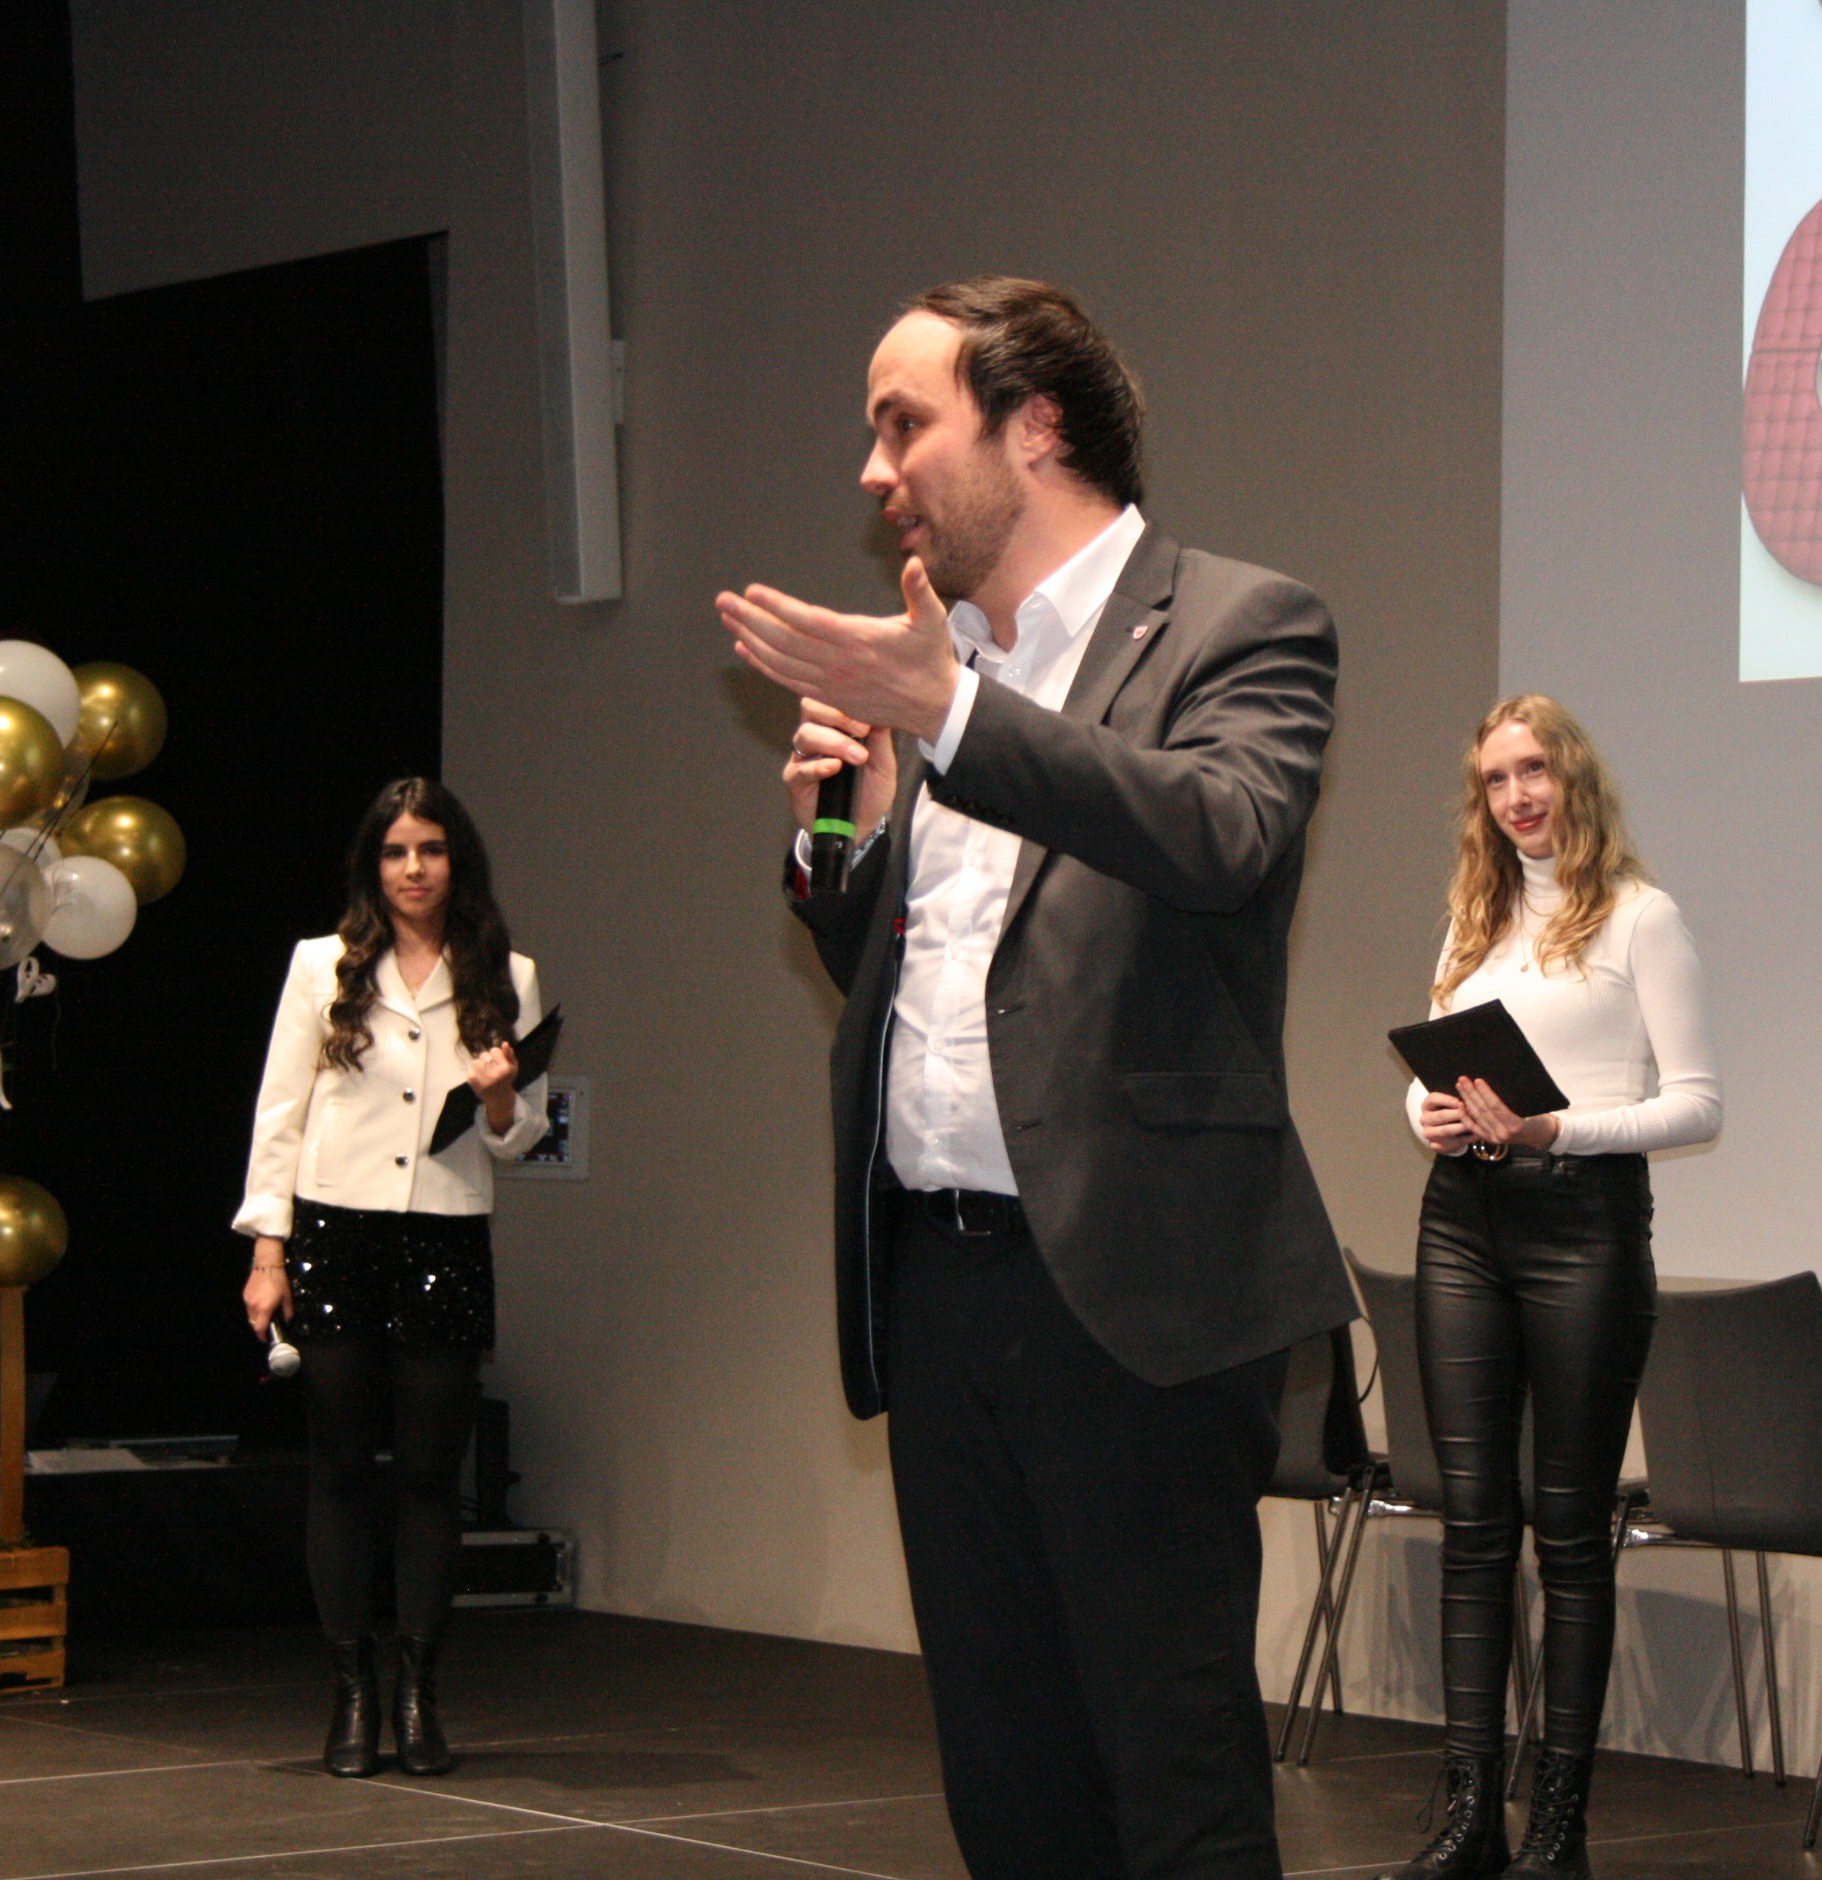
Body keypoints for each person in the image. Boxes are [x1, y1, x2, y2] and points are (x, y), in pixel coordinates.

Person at [717, 277, 1354, 1880]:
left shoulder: (1238, 624)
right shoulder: (946, 666)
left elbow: (1220, 836)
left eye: (904, 424)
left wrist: (949, 713)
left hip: (1132, 1291)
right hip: (941, 1291)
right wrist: (849, 836)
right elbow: (926, 976)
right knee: (1007, 1782)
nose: (875, 472)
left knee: (1173, 1779)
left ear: (1035, 425)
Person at [1393, 697, 1720, 1880]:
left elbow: (1696, 1104)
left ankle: (1558, 1828)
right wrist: (1428, 1114)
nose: (1516, 795)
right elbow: (1428, 1073)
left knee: (1568, 1532)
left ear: (1573, 776)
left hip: (1582, 1223)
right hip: (1462, 1218)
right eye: (1494, 779)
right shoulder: (1471, 915)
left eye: (1532, 769)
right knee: (1472, 1526)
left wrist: (1553, 1127)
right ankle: (1468, 1817)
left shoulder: (1641, 916)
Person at [237, 777, 548, 1779]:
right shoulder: (321, 964)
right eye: (396, 851)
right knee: (337, 1464)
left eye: (432, 850)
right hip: (336, 1229)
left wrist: (500, 1100)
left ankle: (417, 1687)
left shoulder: (506, 971)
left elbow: (522, 1135)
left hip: (445, 1235)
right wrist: (268, 1249)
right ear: (373, 865)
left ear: (460, 860)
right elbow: (281, 1109)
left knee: (427, 1473)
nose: (414, 869)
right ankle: (351, 1687)